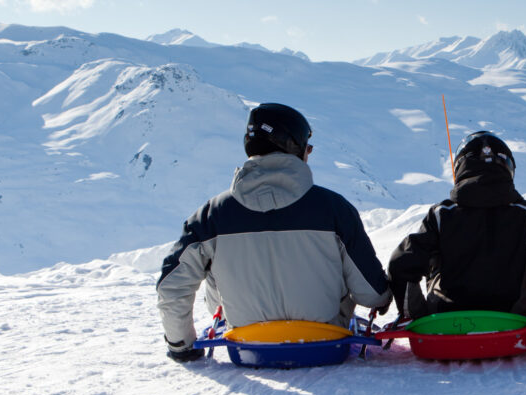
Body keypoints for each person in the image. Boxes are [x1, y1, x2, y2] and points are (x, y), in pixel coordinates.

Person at [157, 103, 391, 363]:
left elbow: (172, 285)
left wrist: (181, 345)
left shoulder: (211, 215)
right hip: (324, 341)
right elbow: (372, 294)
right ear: (294, 147)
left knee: (215, 266)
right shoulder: (335, 209)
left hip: (246, 344)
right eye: (308, 148)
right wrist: (383, 297)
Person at [387, 131, 526, 349]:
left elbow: (402, 264)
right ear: (508, 167)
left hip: (446, 319)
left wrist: (418, 318)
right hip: (513, 318)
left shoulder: (440, 215)